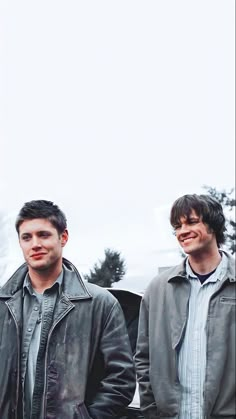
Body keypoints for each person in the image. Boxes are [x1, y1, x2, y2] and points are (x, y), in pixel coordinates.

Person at [0, 200, 136, 419]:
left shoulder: (100, 303)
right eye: (27, 237)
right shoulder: (3, 303)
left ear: (63, 237)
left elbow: (121, 380)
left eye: (43, 235)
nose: (35, 244)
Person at [135, 194, 236, 419]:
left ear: (214, 225)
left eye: (191, 222)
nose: (182, 231)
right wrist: (152, 412)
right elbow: (143, 359)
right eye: (177, 226)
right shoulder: (158, 289)